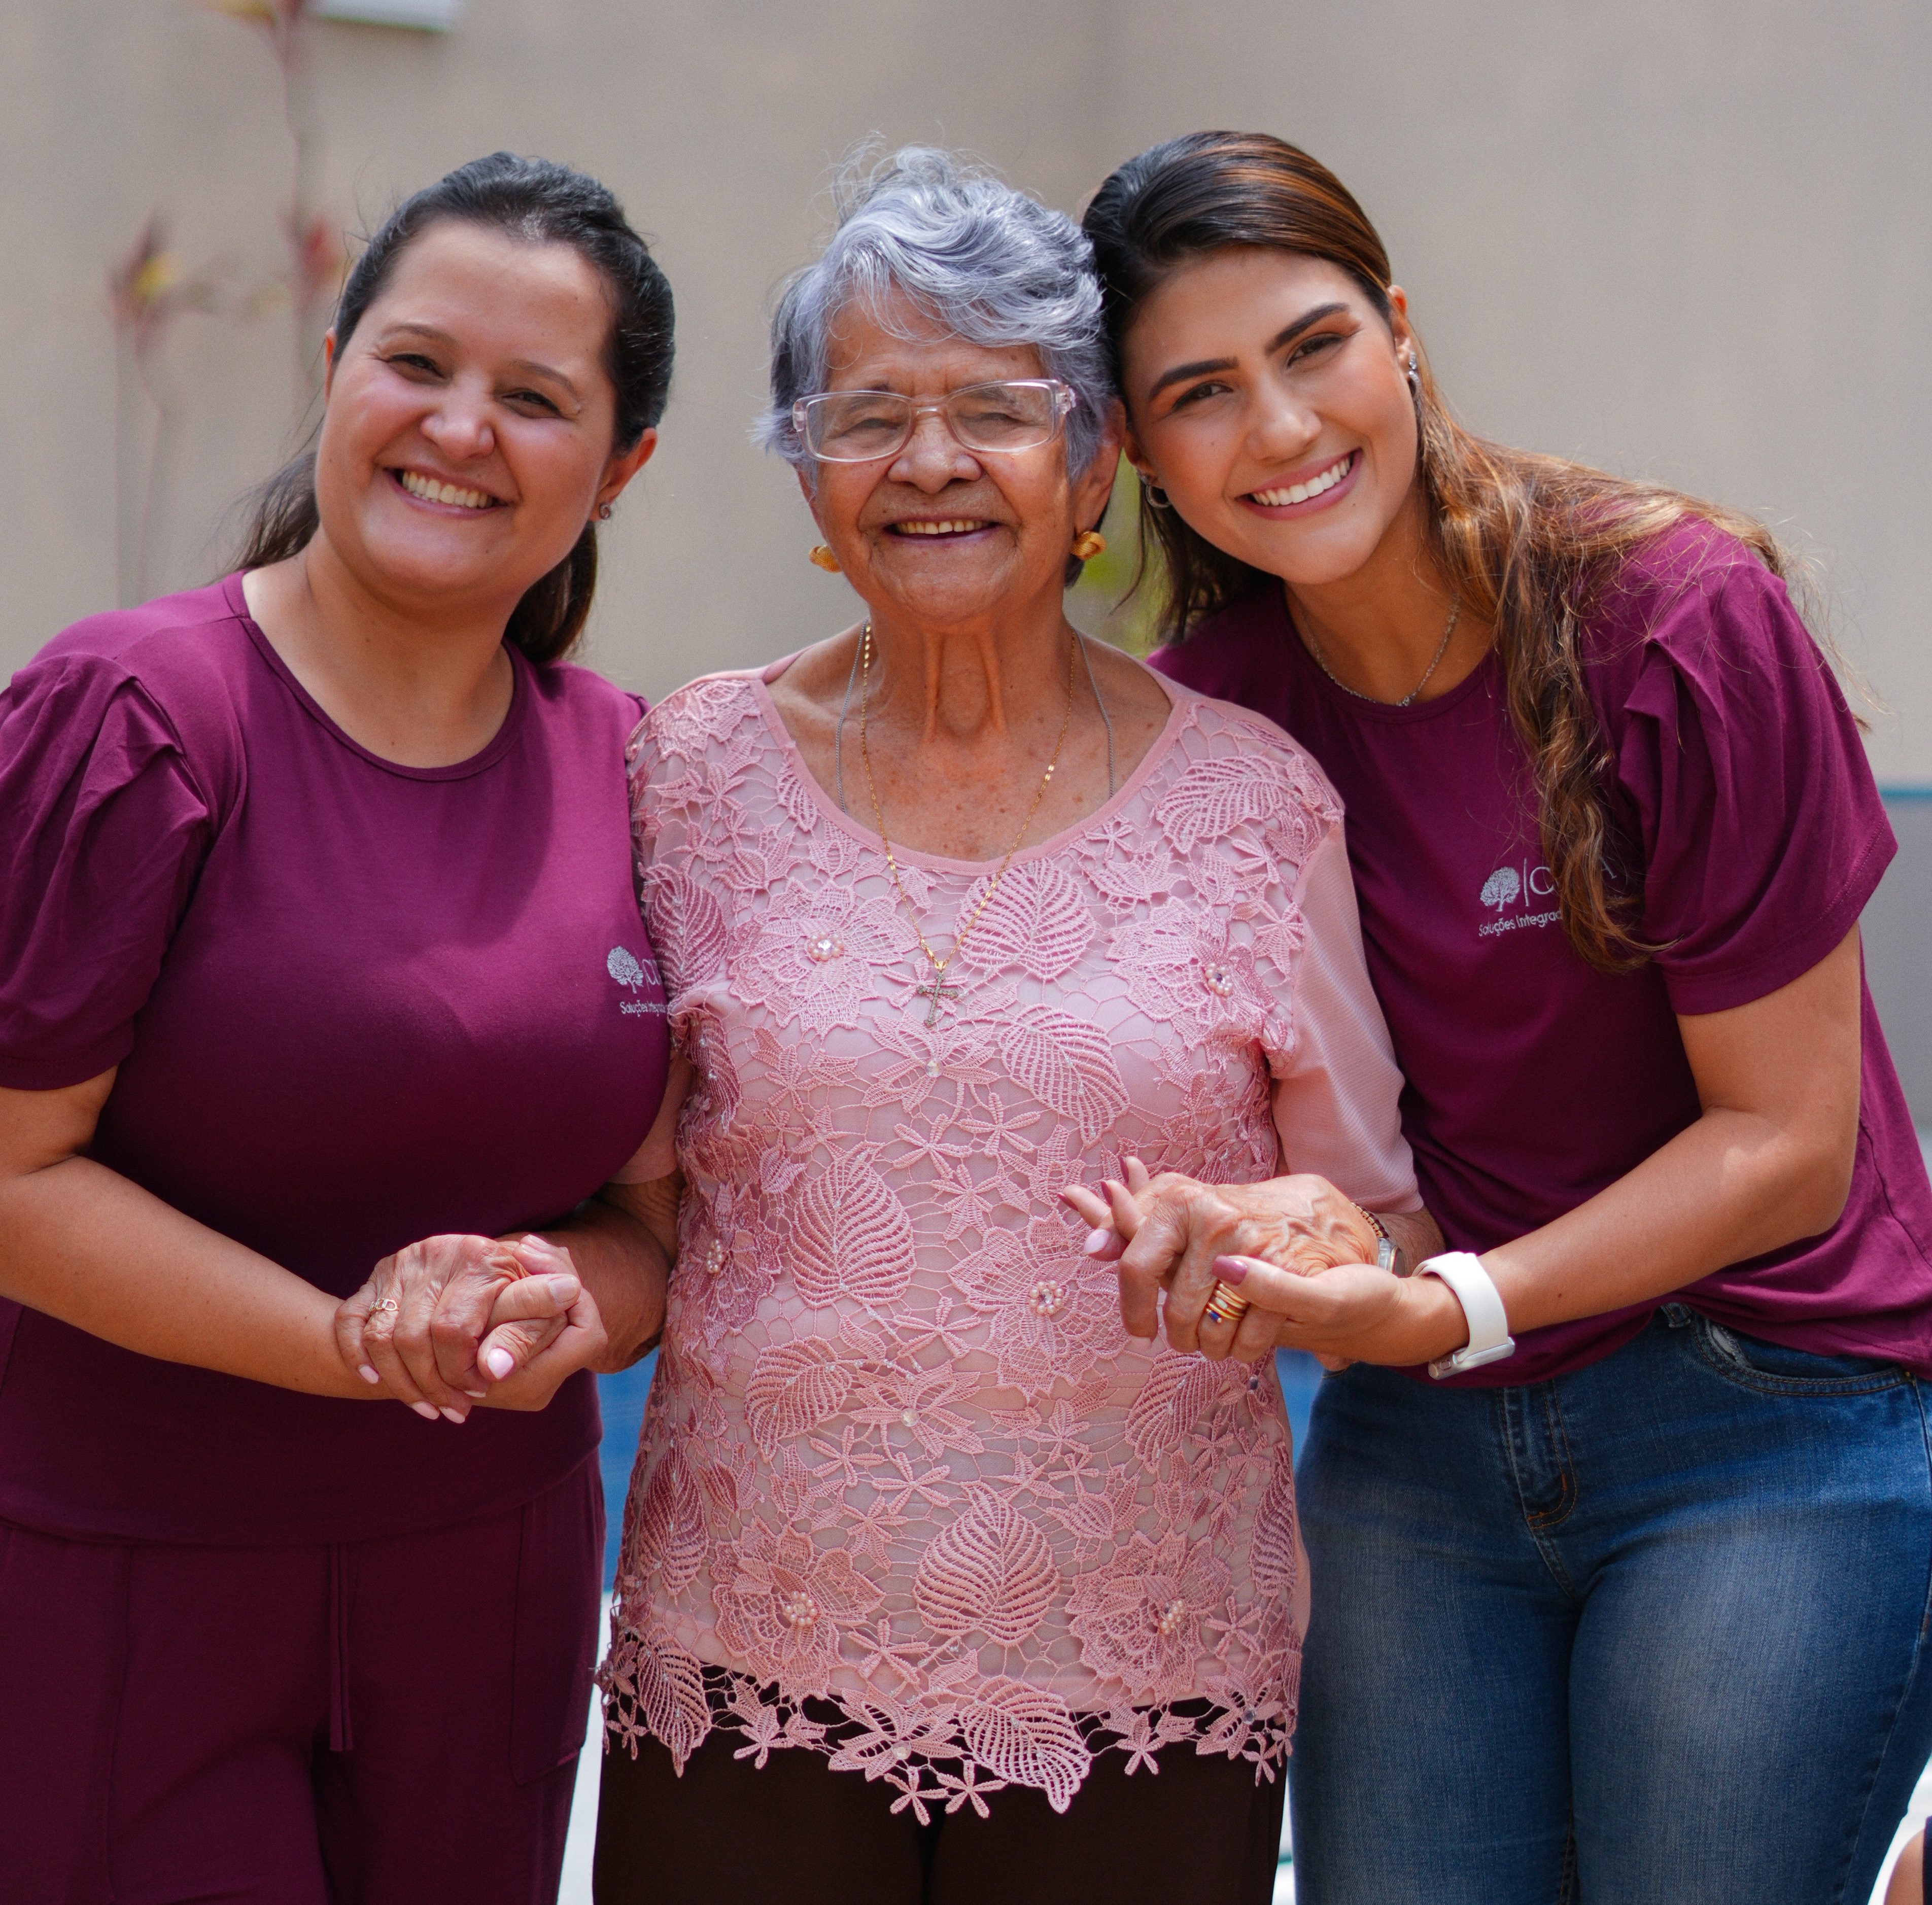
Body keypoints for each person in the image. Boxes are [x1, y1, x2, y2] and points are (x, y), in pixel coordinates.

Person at [1065, 129, 1932, 1905]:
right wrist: (1246, 1223)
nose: (1286, 428)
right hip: (1424, 1449)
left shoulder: (1675, 618)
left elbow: (1786, 1145)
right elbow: (1335, 1162)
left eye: (1315, 347)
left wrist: (1441, 1302)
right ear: (1140, 453)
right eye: (1204, 393)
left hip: (1768, 1403)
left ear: (1399, 329)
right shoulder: (1209, 730)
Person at [589, 146, 1435, 1905]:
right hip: (750, 1642)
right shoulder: (684, 775)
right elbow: (635, 1206)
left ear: (1094, 469)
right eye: (870, 413)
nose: (933, 462)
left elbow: (1378, 1214)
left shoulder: (1256, 805)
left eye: (998, 407)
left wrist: (1268, 1235)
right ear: (810, 483)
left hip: (1142, 1664)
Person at [0, 153, 677, 1904]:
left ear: (621, 472)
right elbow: (10, 1173)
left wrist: (545, 1305)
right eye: (417, 363)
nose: (459, 426)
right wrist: (350, 1342)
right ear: (334, 374)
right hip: (131, 1571)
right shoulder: (137, 717)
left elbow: (657, 1235)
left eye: (534, 398)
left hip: (494, 1588)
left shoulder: (638, 770)